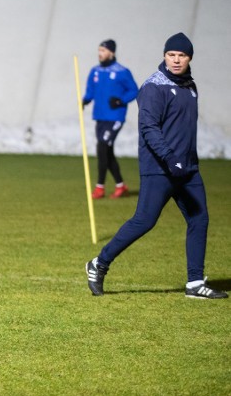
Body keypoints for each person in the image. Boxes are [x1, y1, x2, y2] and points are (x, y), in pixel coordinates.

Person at [86, 32, 227, 299]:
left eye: (181, 55)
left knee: (199, 219)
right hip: (160, 168)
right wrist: (170, 158)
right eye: (171, 55)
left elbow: (183, 129)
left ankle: (195, 283)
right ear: (164, 56)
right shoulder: (153, 87)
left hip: (187, 169)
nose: (176, 60)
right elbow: (149, 128)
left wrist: (186, 162)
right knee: (144, 221)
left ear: (189, 58)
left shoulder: (190, 86)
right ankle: (98, 263)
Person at [82, 39, 139, 199]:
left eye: (103, 50)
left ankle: (99, 187)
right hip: (100, 116)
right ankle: (121, 186)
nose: (100, 53)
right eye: (99, 50)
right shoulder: (95, 71)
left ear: (111, 52)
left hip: (115, 117)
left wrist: (121, 100)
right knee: (107, 151)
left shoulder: (122, 71)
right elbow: (90, 91)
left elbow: (134, 90)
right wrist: (85, 100)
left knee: (102, 147)